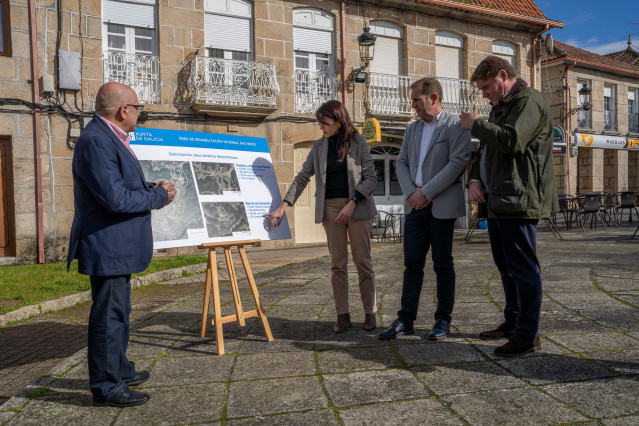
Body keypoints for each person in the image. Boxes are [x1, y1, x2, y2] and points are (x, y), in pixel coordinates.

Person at [67, 82, 177, 407]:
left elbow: (119, 185)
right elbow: (114, 198)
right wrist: (158, 196)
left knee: (120, 312)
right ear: (123, 111)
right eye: (138, 106)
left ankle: (120, 369)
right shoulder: (97, 141)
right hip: (108, 247)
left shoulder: (107, 137)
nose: (141, 112)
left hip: (117, 246)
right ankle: (107, 386)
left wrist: (147, 185)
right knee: (108, 318)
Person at [459, 55, 558, 357]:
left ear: (503, 75)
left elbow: (513, 140)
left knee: (524, 270)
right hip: (500, 199)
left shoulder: (529, 100)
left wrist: (476, 124)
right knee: (506, 268)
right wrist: (475, 180)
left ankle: (528, 336)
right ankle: (513, 323)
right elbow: (486, 151)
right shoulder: (500, 108)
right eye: (483, 89)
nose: (485, 94)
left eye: (488, 86)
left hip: (520, 199)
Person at [264, 100, 377, 333]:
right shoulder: (318, 147)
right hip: (330, 209)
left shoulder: (358, 142)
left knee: (363, 263)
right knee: (338, 265)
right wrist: (283, 206)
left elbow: (371, 178)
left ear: (338, 120)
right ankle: (342, 315)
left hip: (358, 207)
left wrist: (353, 202)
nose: (321, 128)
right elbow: (303, 177)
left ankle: (370, 312)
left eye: (324, 123)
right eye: (319, 123)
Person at [379, 77, 470, 341]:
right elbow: (401, 163)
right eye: (412, 102)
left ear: (434, 98)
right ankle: (405, 319)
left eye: (417, 101)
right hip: (414, 206)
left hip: (440, 206)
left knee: (443, 265)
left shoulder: (456, 125)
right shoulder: (412, 129)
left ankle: (443, 320)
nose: (414, 107)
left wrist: (426, 193)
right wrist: (412, 194)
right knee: (411, 265)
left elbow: (457, 164)